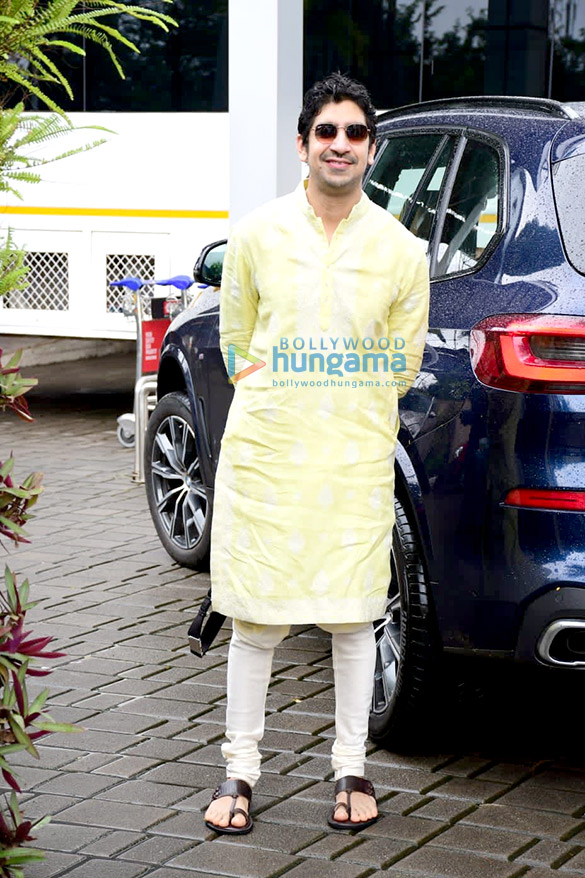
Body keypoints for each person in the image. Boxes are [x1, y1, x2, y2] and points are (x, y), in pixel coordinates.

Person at [204, 72, 429, 835]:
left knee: (352, 617)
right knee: (255, 621)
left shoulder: (401, 249)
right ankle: (238, 770)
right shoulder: (258, 233)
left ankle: (350, 767)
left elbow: (400, 362)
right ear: (301, 144)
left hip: (352, 456)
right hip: (268, 454)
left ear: (371, 150)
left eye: (354, 133)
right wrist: (277, 397)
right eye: (325, 131)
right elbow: (235, 338)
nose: (339, 144)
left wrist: (345, 407)